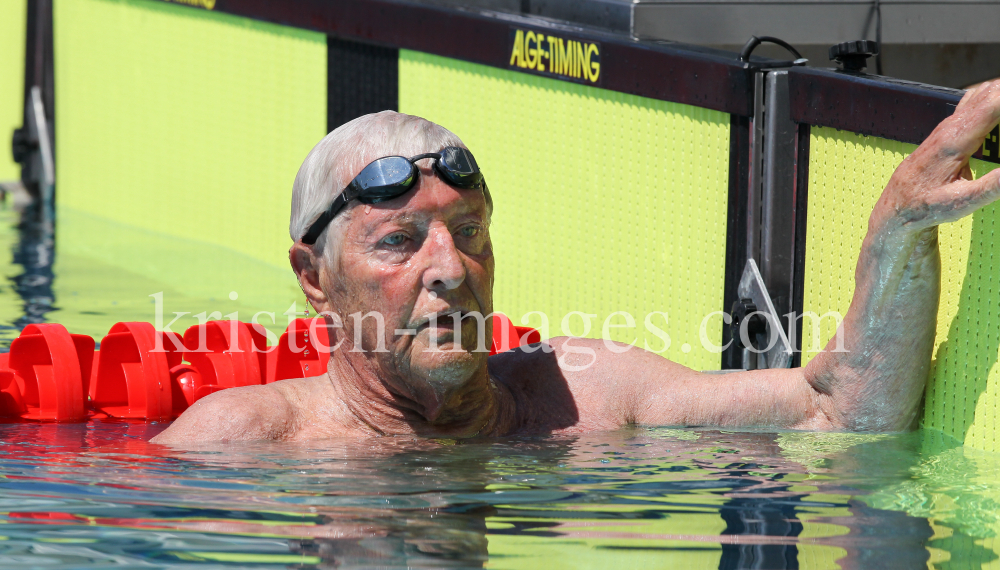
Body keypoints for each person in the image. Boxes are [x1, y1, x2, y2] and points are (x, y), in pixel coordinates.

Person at [152, 80, 1000, 444]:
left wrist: (899, 225)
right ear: (315, 281)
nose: (451, 266)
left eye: (470, 230)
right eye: (401, 241)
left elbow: (840, 411)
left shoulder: (585, 396)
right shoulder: (248, 442)